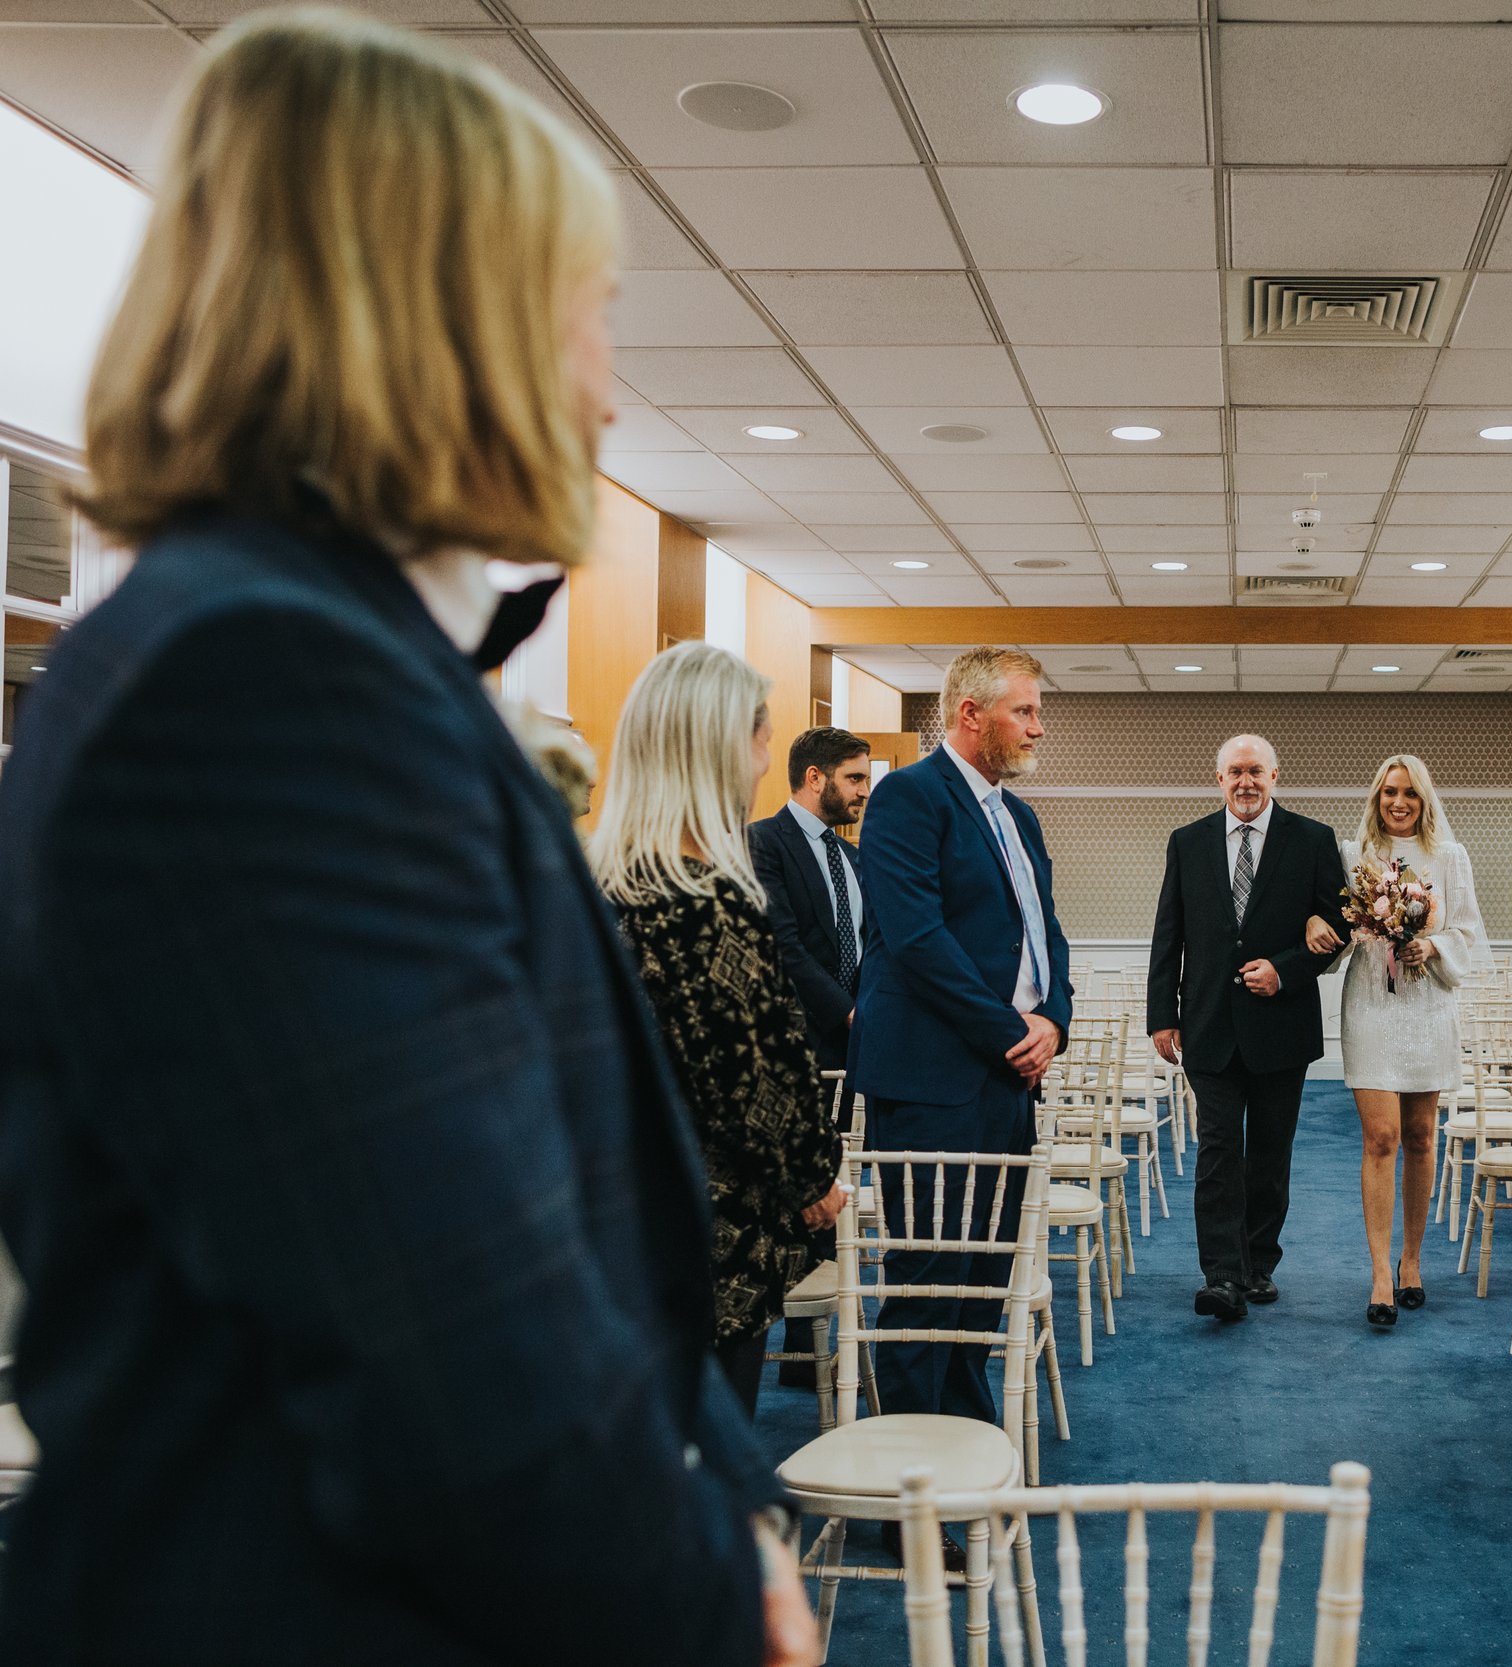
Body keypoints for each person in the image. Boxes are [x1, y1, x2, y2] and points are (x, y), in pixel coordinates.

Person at [0, 13, 814, 1664]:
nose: (602, 386)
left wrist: (734, 1497)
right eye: (589, 316)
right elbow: (457, 1367)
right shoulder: (264, 679)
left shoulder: (304, 643)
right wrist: (723, 1598)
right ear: (453, 323)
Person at [589, 644, 843, 1417]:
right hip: (712, 1228)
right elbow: (751, 1079)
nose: (766, 763)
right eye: (764, 739)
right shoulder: (705, 903)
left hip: (614, 1211)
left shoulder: (601, 888)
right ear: (719, 746)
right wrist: (812, 1182)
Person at [851, 646, 1071, 1431]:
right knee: (927, 1279)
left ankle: (963, 1443)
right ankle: (908, 1494)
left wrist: (1055, 1021)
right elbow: (917, 941)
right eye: (1026, 711)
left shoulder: (1017, 814)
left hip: (1007, 1077)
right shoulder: (909, 798)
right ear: (970, 714)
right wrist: (1012, 1030)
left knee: (984, 1273)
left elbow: (1046, 934)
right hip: (933, 1078)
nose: (1038, 728)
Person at [1147, 735, 1348, 1323]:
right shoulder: (1187, 842)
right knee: (1216, 1152)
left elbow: (1338, 925)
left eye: (1255, 772)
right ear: (1218, 780)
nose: (1246, 782)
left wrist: (1284, 971)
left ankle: (1259, 1264)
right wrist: (1163, 1015)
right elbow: (1170, 933)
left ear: (1275, 776)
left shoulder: (1312, 839)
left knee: (1268, 1152)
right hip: (1207, 1022)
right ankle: (1222, 1275)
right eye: (1235, 772)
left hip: (1280, 1027)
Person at [1303, 754, 1490, 1328]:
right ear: (1376, 798)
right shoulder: (1353, 857)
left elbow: (1469, 931)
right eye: (1389, 792)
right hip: (1373, 1004)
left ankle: (1413, 1260)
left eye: (1409, 792)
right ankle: (1380, 1271)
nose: (1399, 802)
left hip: (1427, 1003)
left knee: (1420, 1135)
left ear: (1425, 798)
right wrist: (1315, 925)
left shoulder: (1449, 858)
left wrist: (1431, 947)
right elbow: (1328, 922)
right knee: (1381, 1136)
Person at [751, 725, 872, 1077]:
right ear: (815, 777)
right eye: (854, 778)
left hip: (857, 1048)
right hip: (796, 1046)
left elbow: (866, 941)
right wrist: (847, 1012)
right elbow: (782, 945)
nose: (865, 791)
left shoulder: (851, 857)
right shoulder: (763, 842)